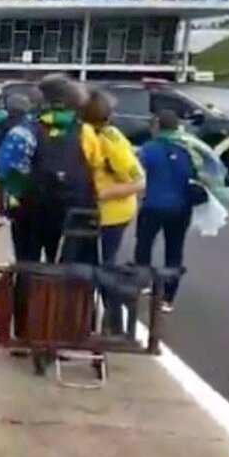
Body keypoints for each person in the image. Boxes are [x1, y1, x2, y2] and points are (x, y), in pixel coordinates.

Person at [0, 74, 101, 265]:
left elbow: (5, 170)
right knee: (64, 266)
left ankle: (26, 293)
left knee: (27, 264)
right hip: (72, 212)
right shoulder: (86, 132)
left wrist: (9, 201)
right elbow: (96, 167)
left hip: (30, 212)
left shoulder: (25, 131)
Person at [82, 88, 145, 332]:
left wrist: (103, 194)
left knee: (103, 268)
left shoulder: (110, 140)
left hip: (110, 215)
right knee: (91, 266)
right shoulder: (89, 135)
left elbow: (139, 180)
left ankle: (115, 323)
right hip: (95, 213)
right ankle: (92, 321)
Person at [134, 110, 198, 314]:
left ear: (157, 126)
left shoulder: (149, 148)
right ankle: (168, 297)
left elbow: (135, 172)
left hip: (153, 205)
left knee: (144, 244)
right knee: (175, 249)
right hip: (181, 207)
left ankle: (143, 283)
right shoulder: (188, 148)